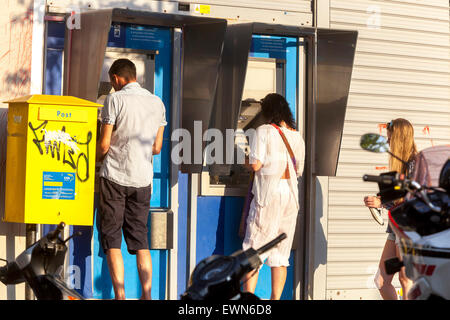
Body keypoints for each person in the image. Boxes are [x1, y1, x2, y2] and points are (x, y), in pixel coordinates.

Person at [96, 58, 167, 300]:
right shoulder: (157, 103)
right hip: (142, 180)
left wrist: (91, 155)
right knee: (140, 240)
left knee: (112, 239)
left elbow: (104, 144)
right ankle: (147, 296)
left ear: (116, 78)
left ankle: (121, 296)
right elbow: (157, 147)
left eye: (111, 81)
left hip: (115, 177)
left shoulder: (114, 99)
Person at [241, 93, 305, 300]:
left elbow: (256, 164)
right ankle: (275, 299)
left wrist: (242, 159)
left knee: (254, 249)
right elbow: (299, 170)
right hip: (291, 196)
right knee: (280, 255)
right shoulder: (297, 136)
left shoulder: (263, 131)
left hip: (269, 195)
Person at [364, 118, 417, 300]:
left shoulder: (415, 165)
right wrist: (379, 200)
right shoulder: (401, 165)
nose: (387, 143)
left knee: (405, 279)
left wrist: (381, 202)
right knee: (381, 280)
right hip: (396, 229)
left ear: (399, 139)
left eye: (389, 139)